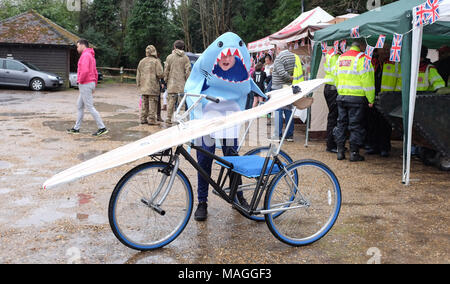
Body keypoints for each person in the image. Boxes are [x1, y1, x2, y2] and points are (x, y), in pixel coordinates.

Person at [333, 40, 375, 162]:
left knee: (341, 124)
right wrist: (370, 98)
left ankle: (340, 151)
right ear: (362, 46)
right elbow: (367, 81)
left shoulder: (340, 58)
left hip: (342, 96)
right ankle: (354, 153)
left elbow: (336, 77)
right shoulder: (363, 59)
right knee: (355, 126)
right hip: (357, 98)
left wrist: (341, 91)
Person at [67, 39, 108, 137]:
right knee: (80, 105)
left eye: (77, 46)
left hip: (85, 83)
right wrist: (94, 84)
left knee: (89, 107)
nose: (77, 48)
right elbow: (95, 72)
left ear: (82, 45)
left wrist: (79, 81)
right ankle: (76, 128)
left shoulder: (85, 55)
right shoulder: (90, 55)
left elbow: (84, 71)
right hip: (89, 83)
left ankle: (102, 127)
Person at [271, 46, 303, 142]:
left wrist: (291, 78)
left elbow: (281, 73)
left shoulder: (279, 58)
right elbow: (300, 67)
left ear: (278, 49)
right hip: (289, 88)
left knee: (278, 112)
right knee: (288, 111)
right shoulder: (294, 56)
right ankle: (289, 135)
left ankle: (278, 135)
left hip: (278, 89)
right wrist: (293, 78)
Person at [164, 40, 191, 125]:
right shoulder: (186, 58)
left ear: (174, 47)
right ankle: (181, 119)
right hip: (182, 85)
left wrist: (165, 80)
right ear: (183, 47)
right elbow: (188, 71)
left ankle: (168, 119)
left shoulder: (169, 57)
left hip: (171, 84)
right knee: (181, 104)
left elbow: (166, 71)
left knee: (171, 103)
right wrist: (188, 81)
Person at [136, 45, 164, 125]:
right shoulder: (156, 61)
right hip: (153, 86)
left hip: (144, 86)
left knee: (145, 103)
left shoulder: (142, 61)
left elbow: (138, 74)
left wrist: (139, 84)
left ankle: (143, 118)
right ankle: (151, 119)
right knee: (153, 103)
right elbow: (160, 74)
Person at [323, 47, 340, 153]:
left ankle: (333, 143)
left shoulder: (329, 53)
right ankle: (331, 145)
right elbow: (336, 73)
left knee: (333, 116)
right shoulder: (335, 55)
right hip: (334, 87)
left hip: (329, 87)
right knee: (333, 117)